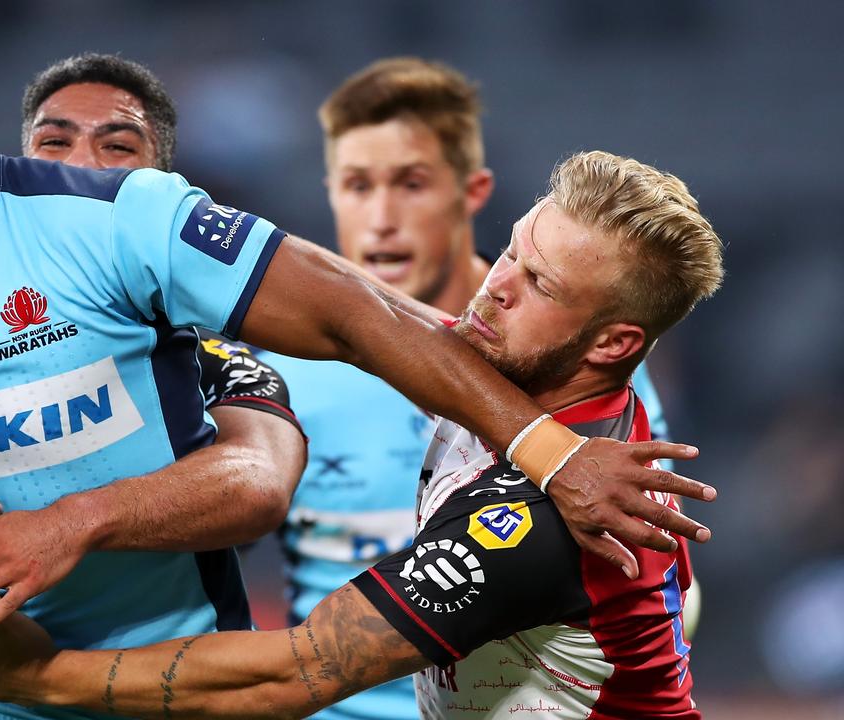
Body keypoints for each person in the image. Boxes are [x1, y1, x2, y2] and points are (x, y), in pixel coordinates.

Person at [0, 4, 712, 719]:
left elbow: (276, 531)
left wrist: (61, 571)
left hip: (154, 692)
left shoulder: (135, 251)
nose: (483, 287)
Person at [0, 149, 724, 720]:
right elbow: (365, 314)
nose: (496, 284)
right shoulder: (533, 387)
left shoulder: (534, 525)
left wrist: (45, 677)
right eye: (514, 249)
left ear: (611, 346)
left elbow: (296, 674)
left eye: (541, 284)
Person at [264, 57, 674, 719]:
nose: (381, 218)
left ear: (472, 192)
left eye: (412, 184)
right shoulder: (285, 362)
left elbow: (643, 557)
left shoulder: (578, 376)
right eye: (357, 185)